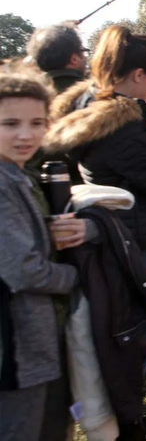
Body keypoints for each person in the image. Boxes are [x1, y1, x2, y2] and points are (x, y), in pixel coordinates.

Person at [44, 25, 146, 439]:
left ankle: (127, 416)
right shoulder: (120, 121)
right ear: (135, 76)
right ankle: (120, 421)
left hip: (117, 233)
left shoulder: (92, 103)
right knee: (139, 333)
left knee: (129, 334)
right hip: (127, 237)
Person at [0, 73, 80, 441]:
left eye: (36, 124)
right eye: (10, 124)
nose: (25, 135)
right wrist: (78, 278)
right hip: (17, 350)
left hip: (36, 341)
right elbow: (23, 271)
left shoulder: (20, 174)